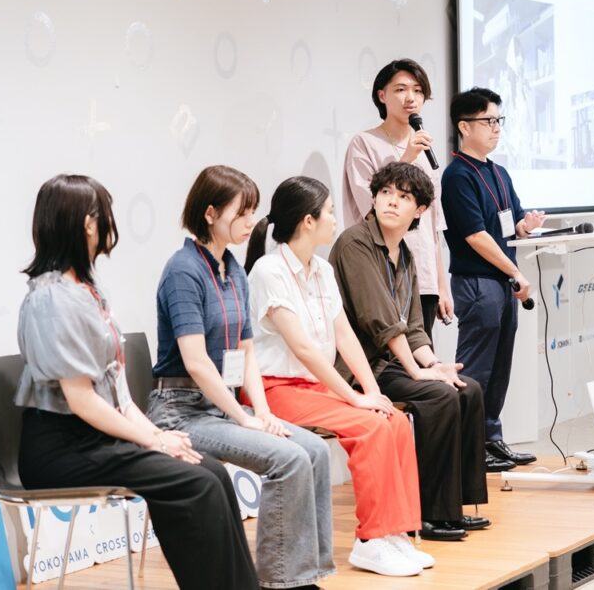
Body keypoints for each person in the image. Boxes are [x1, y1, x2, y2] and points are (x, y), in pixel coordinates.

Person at [15, 174, 258, 590]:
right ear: (86, 223)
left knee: (211, 472)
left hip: (95, 437)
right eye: (102, 213)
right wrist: (151, 441)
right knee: (194, 484)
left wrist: (158, 434)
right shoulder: (51, 298)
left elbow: (119, 392)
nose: (111, 222)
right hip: (62, 448)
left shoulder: (87, 288)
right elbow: (82, 400)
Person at [146, 166, 333, 590]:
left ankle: (305, 577)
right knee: (286, 459)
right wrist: (243, 417)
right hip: (181, 412)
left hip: (221, 406)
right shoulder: (183, 271)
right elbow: (196, 362)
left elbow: (245, 351)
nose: (252, 222)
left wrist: (263, 413)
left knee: (315, 450)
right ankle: (280, 582)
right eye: (243, 212)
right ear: (210, 213)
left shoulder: (233, 269)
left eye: (253, 212)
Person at [245, 176, 429, 577]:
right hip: (276, 390)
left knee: (392, 420)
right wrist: (355, 396)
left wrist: (373, 391)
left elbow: (343, 334)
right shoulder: (268, 271)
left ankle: (394, 532)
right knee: (368, 426)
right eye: (329, 212)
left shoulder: (322, 269)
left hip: (313, 387)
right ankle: (370, 540)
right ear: (308, 221)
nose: (334, 219)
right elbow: (304, 349)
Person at [330, 161, 498, 542]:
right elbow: (381, 320)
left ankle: (454, 505)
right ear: (374, 197)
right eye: (386, 193)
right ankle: (425, 513)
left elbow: (414, 327)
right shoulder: (355, 243)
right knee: (438, 396)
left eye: (403, 197)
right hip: (360, 369)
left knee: (464, 387)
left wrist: (436, 364)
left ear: (419, 209)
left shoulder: (404, 253)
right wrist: (420, 372)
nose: (391, 202)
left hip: (391, 363)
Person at [441, 87, 546, 471]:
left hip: (502, 282)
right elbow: (475, 236)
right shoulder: (456, 176)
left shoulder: (498, 172)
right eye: (488, 121)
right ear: (464, 126)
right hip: (477, 281)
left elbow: (507, 224)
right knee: (475, 367)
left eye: (499, 120)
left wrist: (525, 225)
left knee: (500, 365)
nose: (496, 128)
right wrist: (516, 271)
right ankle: (469, 445)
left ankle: (492, 437)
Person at [342, 59, 452, 340]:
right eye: (401, 89)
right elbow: (372, 209)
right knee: (389, 365)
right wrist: (407, 159)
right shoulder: (364, 143)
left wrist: (441, 283)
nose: (411, 98)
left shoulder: (425, 147)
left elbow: (432, 223)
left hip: (423, 273)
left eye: (417, 90)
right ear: (382, 95)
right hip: (381, 272)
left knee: (423, 357)